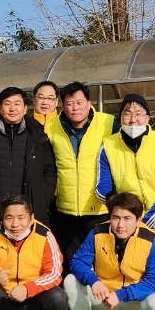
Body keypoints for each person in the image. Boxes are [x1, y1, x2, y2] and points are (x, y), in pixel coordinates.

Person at [64, 192, 155, 310]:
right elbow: (78, 262)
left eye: (127, 218)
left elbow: (153, 282)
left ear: (138, 220)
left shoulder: (150, 240)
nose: (120, 225)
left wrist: (120, 294)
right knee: (70, 281)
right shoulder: (97, 233)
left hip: (134, 302)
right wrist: (94, 281)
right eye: (116, 218)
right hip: (103, 297)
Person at [0, 87, 57, 251]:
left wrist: (43, 195)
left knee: (30, 256)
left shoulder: (38, 135)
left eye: (17, 103)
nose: (12, 108)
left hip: (29, 210)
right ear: (0, 107)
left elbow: (50, 169)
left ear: (25, 108)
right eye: (7, 104)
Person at [43, 82, 115, 275]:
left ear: (88, 102)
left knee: (101, 263)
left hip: (99, 209)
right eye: (69, 103)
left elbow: (135, 130)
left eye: (79, 102)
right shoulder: (51, 126)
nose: (74, 108)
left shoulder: (108, 123)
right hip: (65, 211)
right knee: (72, 263)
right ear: (62, 106)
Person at [96, 94, 155, 227]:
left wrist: (145, 223)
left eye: (138, 114)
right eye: (127, 114)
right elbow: (102, 187)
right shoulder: (107, 146)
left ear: (147, 118)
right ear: (121, 117)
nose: (133, 120)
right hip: (126, 224)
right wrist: (124, 214)